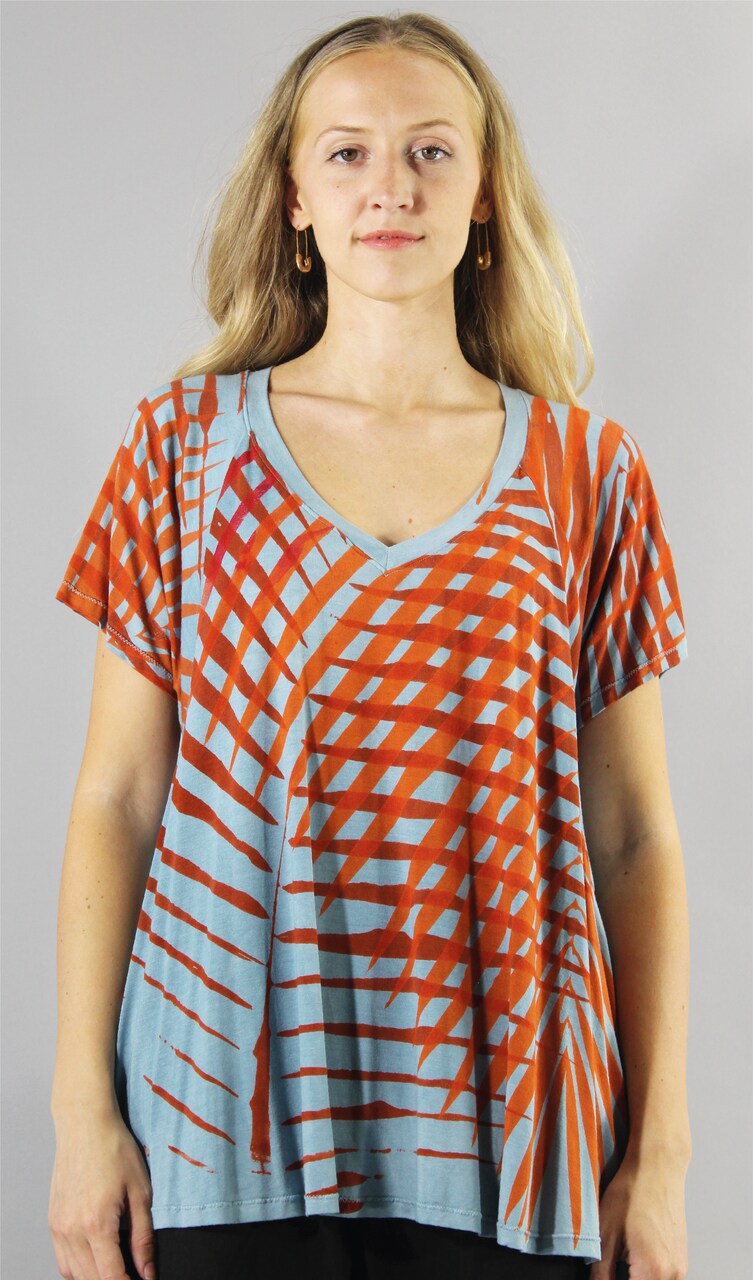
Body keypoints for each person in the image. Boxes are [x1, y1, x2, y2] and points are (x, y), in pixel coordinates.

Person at [48, 11, 692, 1280]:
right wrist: (80, 1113)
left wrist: (660, 1154)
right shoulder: (182, 451)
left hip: (519, 1142)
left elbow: (635, 835)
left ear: (485, 190)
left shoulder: (588, 473)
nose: (389, 186)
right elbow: (117, 797)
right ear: (294, 196)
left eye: (430, 150)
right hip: (215, 1126)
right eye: (346, 153)